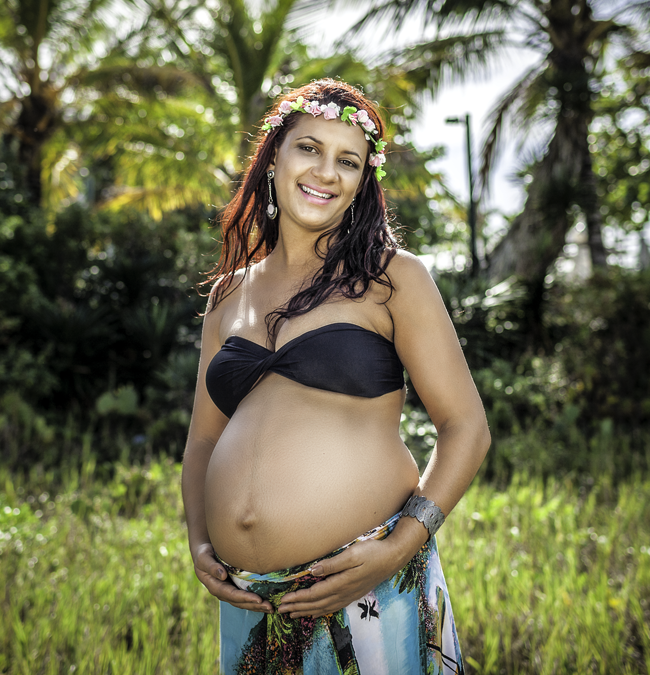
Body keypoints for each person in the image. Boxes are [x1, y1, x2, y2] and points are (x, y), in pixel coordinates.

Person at [182, 79, 491, 674]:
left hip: (369, 586)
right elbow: (202, 440)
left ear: (362, 181)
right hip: (255, 602)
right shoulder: (228, 295)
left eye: (346, 160)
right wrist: (201, 543)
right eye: (309, 149)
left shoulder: (392, 277)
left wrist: (400, 546)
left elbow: (465, 427)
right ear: (273, 157)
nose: (325, 171)